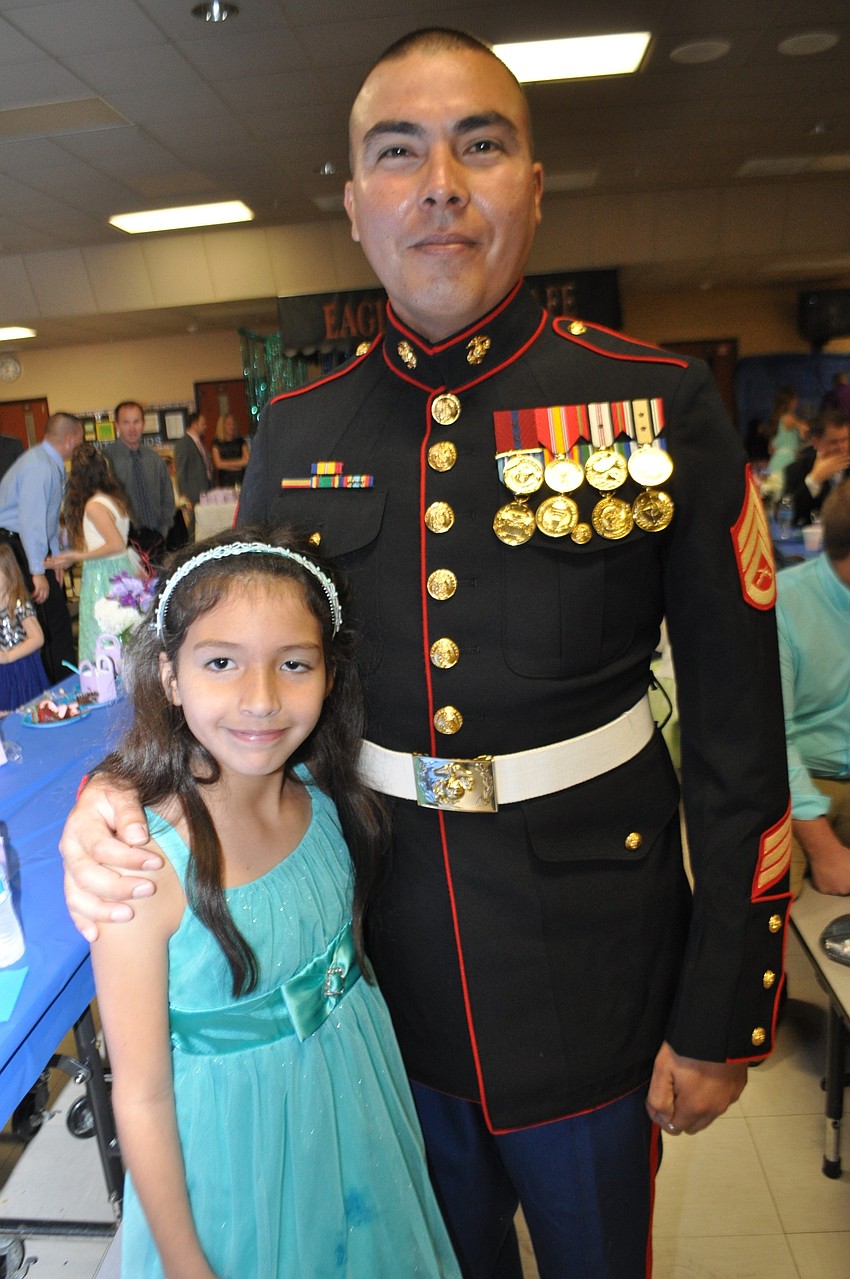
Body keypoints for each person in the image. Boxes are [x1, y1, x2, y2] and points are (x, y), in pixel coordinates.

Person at [60, 29, 790, 1279]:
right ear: (355, 206)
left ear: (534, 189)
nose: (440, 184)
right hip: (377, 978)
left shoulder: (657, 403)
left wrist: (726, 1004)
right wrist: (117, 788)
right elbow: (240, 677)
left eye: (480, 146)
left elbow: (737, 729)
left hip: (596, 969)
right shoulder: (300, 430)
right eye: (399, 154)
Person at [90, 527, 459, 1278]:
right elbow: (142, 1096)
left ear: (329, 674)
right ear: (168, 675)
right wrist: (184, 1262)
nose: (260, 699)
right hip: (235, 1167)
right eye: (221, 662)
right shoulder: (144, 870)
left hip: (357, 1124)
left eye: (294, 663)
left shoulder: (324, 802)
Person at [777, 479, 850, 899]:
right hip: (796, 779)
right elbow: (772, 742)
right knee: (772, 893)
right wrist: (824, 851)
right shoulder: (783, 604)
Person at [0, 411, 82, 682]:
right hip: (16, 548)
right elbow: (32, 521)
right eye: (79, 439)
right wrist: (37, 572)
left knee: (57, 620)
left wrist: (55, 557)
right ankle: (54, 686)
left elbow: (48, 518)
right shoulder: (39, 466)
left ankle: (66, 680)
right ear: (69, 438)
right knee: (43, 622)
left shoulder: (47, 462)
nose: (79, 444)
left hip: (29, 546)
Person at [45, 442, 142, 664]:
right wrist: (71, 558)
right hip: (118, 568)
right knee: (123, 629)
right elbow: (107, 542)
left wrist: (78, 556)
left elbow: (115, 544)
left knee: (102, 630)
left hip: (104, 574)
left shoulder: (94, 505)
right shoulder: (112, 499)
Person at [104, 402, 175, 565]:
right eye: (126, 422)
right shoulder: (106, 460)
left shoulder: (154, 459)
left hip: (156, 539)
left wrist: (162, 531)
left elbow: (168, 498)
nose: (132, 428)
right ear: (117, 426)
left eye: (136, 422)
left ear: (143, 424)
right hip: (122, 542)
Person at [0, 542, 48, 712]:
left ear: (9, 573)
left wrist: (9, 656)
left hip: (21, 668)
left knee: (26, 710)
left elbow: (38, 638)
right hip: (2, 672)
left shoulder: (18, 603)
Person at [783, 409, 850, 525]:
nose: (841, 447)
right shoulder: (797, 469)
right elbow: (786, 517)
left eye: (844, 440)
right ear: (816, 442)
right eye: (833, 442)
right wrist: (814, 480)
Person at [174, 412, 214, 537]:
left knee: (204, 522)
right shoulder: (183, 444)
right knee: (194, 525)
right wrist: (184, 495)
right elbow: (180, 470)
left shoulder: (199, 442)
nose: (205, 426)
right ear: (195, 424)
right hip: (193, 492)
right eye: (203, 423)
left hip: (205, 489)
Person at [211, 413, 249, 487]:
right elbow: (218, 464)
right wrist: (237, 465)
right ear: (222, 426)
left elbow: (246, 461)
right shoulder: (216, 443)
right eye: (228, 424)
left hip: (242, 479)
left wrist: (226, 464)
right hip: (226, 481)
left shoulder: (241, 441)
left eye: (233, 424)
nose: (232, 426)